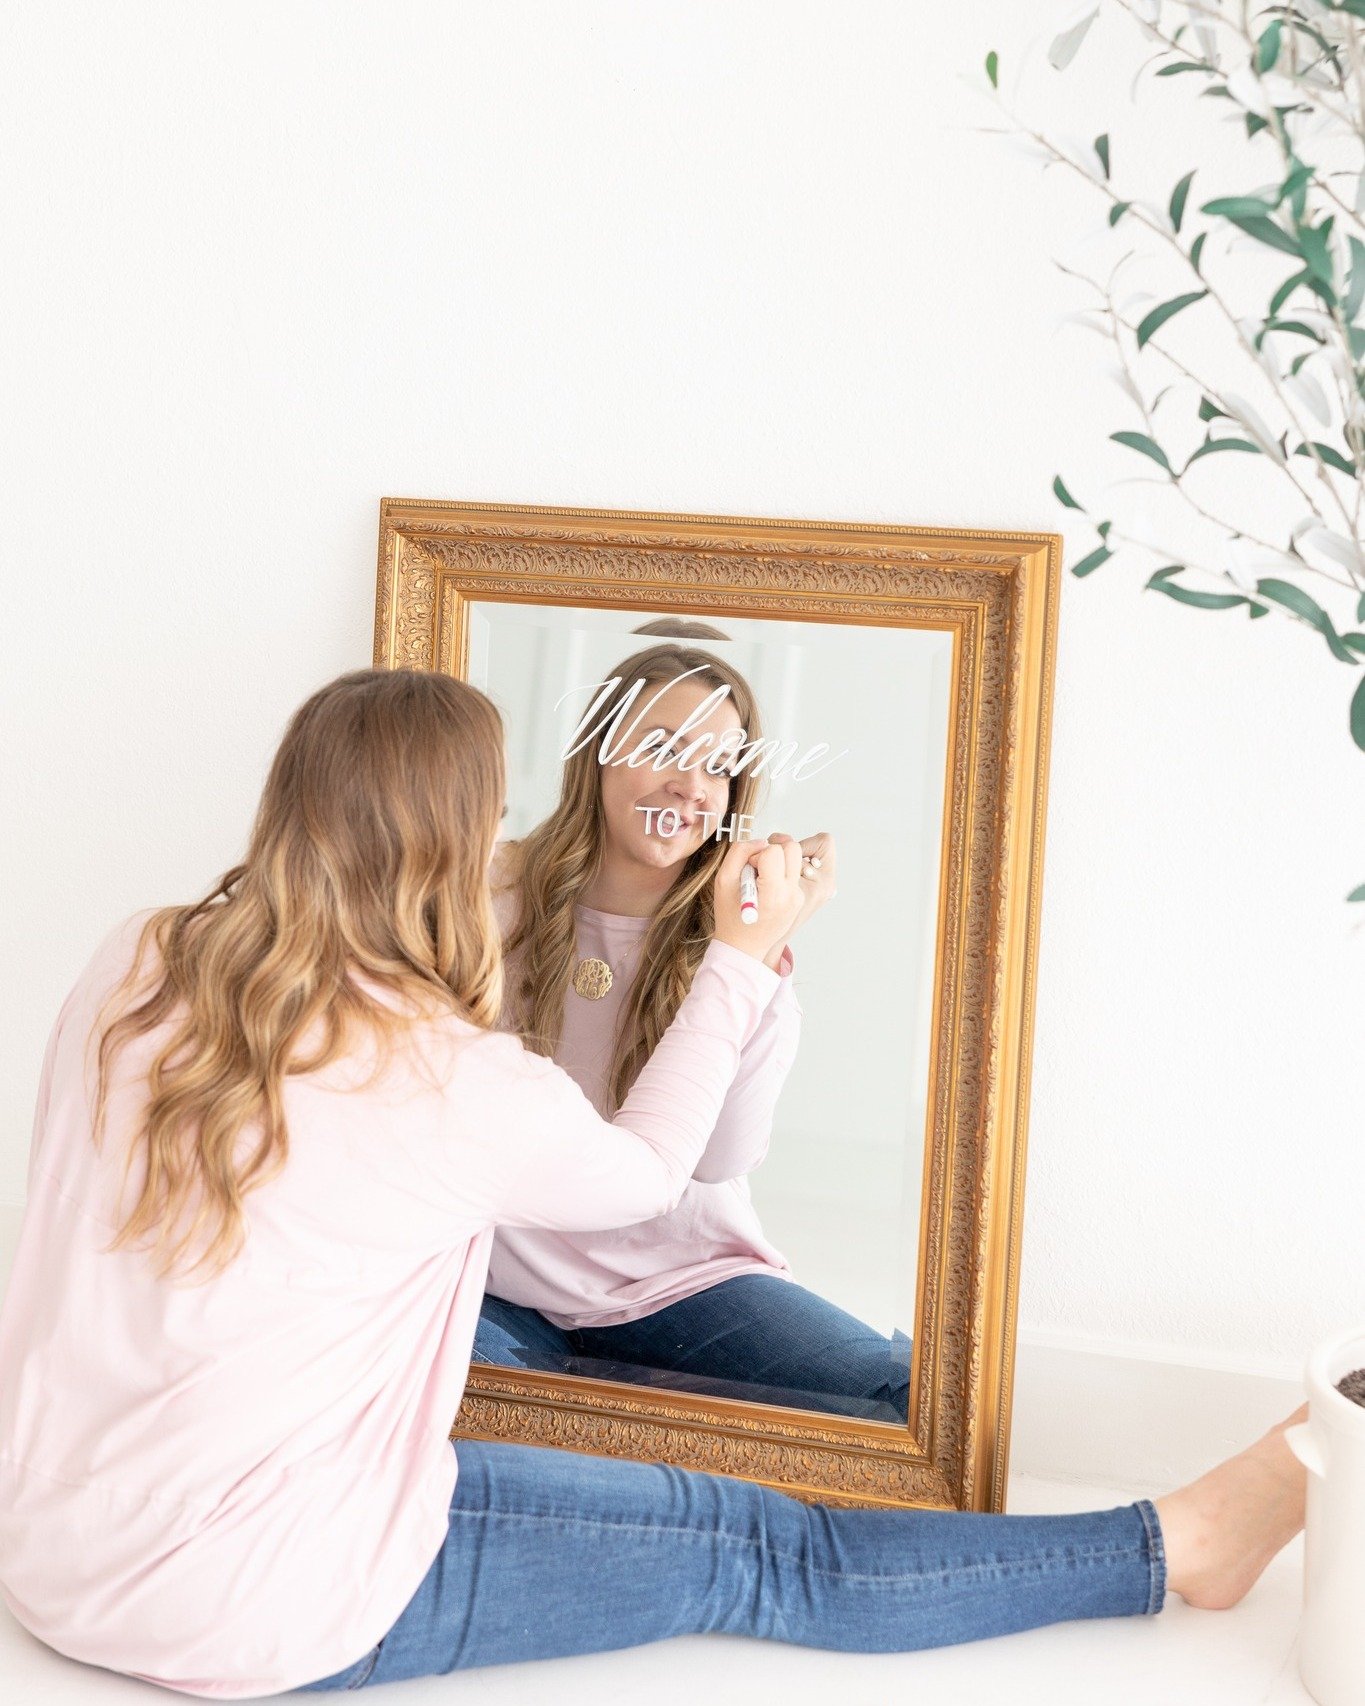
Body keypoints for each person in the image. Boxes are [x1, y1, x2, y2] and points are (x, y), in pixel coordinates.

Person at [0, 667, 1307, 1699]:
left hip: (49, 1556)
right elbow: (635, 1177)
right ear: (465, 841)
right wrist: (745, 956)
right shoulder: (446, 1073)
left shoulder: (143, 953)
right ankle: (1173, 1542)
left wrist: (724, 957)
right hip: (254, 1601)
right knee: (770, 1555)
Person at [473, 639, 911, 1422]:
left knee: (905, 1400)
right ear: (596, 754)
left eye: (718, 767)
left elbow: (720, 1159)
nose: (689, 785)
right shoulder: (491, 891)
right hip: (498, 1277)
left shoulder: (734, 938)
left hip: (678, 1280)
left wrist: (756, 958)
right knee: (489, 1423)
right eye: (661, 747)